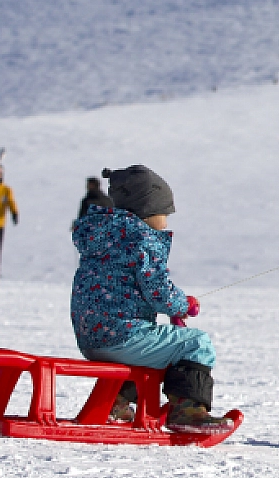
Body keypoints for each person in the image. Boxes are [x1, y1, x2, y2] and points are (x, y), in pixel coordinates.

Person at [70, 165, 232, 433]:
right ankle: (187, 411)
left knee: (152, 348)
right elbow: (158, 290)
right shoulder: (143, 239)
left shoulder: (102, 236)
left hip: (91, 339)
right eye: (164, 214)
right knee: (196, 343)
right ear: (145, 211)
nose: (166, 223)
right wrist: (184, 305)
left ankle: (115, 403)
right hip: (123, 337)